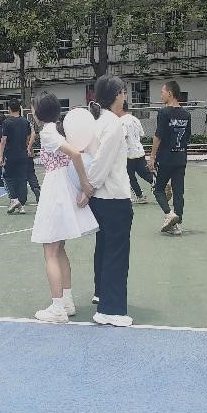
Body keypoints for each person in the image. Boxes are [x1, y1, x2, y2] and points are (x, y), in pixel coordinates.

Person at [30, 94, 98, 323]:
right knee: (59, 250)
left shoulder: (47, 132)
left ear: (39, 112)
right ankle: (66, 301)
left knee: (50, 250)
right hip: (62, 188)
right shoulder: (57, 129)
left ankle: (58, 307)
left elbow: (75, 154)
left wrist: (85, 184)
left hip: (56, 190)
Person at [86, 75, 134, 327]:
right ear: (117, 95)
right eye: (123, 92)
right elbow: (101, 163)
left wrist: (88, 189)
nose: (125, 96)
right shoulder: (113, 124)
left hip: (101, 199)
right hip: (113, 197)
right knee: (116, 252)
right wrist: (88, 187)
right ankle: (111, 309)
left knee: (104, 248)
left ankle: (101, 293)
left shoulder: (98, 122)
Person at [148, 81, 191, 236]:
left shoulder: (164, 113)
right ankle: (177, 225)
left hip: (165, 158)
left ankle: (169, 214)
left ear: (170, 94)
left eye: (162, 92)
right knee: (178, 192)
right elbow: (187, 138)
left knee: (158, 189)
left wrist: (152, 157)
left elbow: (158, 136)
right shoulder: (186, 115)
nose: (161, 95)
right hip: (180, 158)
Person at [0, 99, 31, 214]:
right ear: (19, 108)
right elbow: (28, 137)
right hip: (22, 154)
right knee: (21, 179)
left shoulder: (7, 122)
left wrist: (1, 156)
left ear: (9, 109)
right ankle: (21, 205)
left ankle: (14, 199)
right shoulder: (25, 121)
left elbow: (3, 140)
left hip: (10, 154)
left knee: (8, 177)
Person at [119, 102, 152, 204]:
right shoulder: (135, 119)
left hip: (128, 154)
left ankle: (140, 196)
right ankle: (160, 185)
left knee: (130, 177)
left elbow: (123, 137)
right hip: (139, 151)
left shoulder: (121, 121)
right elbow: (141, 134)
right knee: (145, 173)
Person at [26, 113, 42, 203]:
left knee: (19, 175)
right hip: (28, 152)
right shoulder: (27, 123)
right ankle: (36, 187)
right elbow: (33, 134)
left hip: (17, 153)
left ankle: (22, 195)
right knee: (31, 173)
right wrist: (29, 147)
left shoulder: (9, 123)